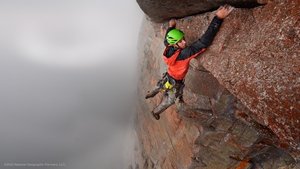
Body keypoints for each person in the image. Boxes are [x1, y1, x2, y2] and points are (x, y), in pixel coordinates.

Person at [145, 5, 234, 120]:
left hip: (168, 76)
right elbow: (203, 42)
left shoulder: (168, 48)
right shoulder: (184, 54)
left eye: (183, 38)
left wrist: (171, 27)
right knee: (170, 100)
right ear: (175, 44)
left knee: (160, 85)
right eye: (180, 41)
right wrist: (218, 18)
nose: (184, 42)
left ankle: (151, 93)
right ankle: (156, 111)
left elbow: (166, 40)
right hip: (175, 82)